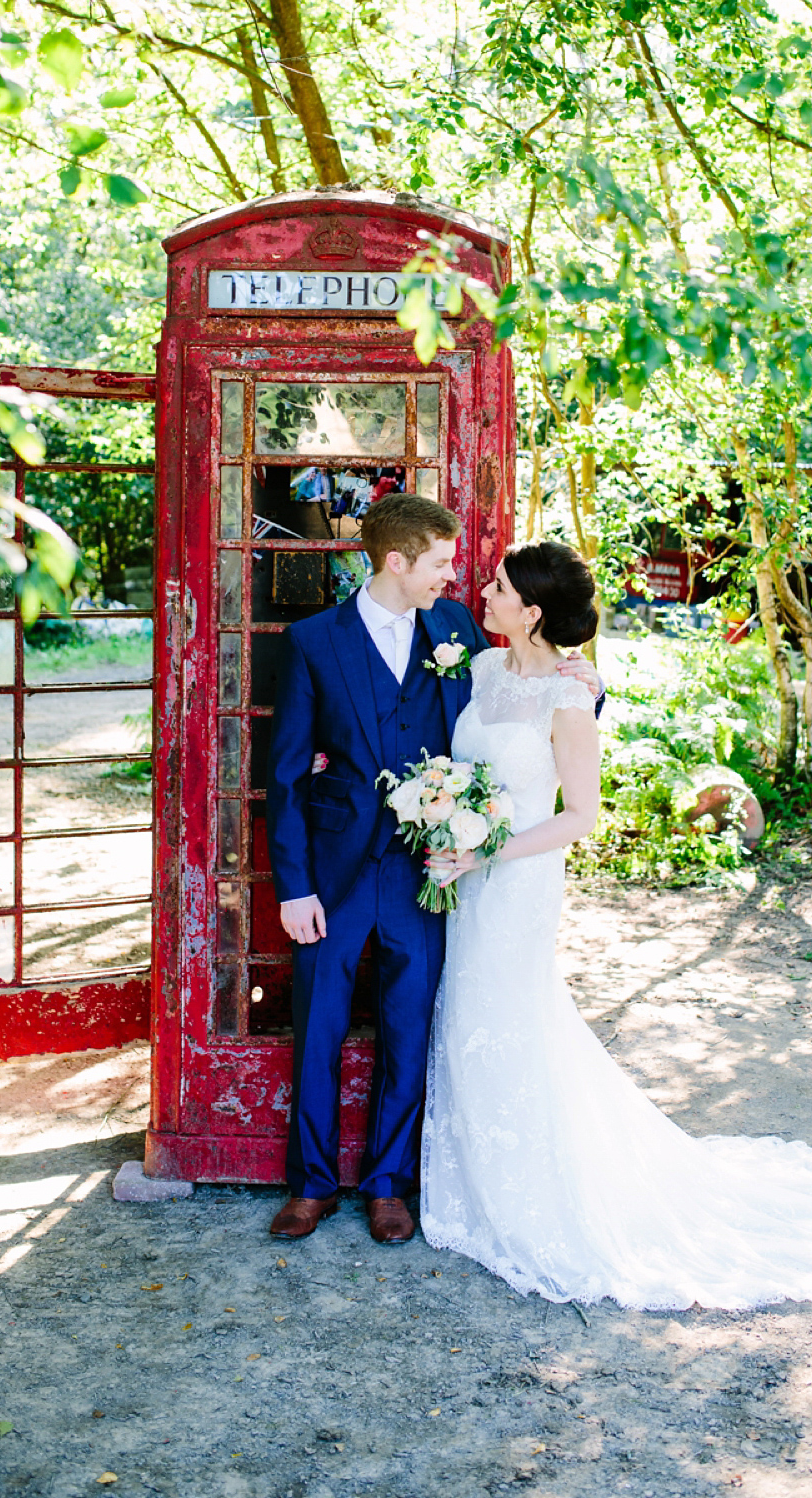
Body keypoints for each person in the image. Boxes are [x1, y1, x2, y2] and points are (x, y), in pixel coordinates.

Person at [422, 540, 812, 1309]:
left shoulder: (571, 699)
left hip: (513, 882)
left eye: (498, 586)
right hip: (467, 881)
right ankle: (479, 1182)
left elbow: (580, 816)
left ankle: (536, 1194)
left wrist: (485, 852)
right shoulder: (479, 671)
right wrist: (450, 828)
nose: (483, 590)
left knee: (510, 1018)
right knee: (469, 1015)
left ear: (532, 613)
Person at [264, 495, 600, 1246]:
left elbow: (542, 686)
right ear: (397, 561)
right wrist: (295, 886)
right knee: (316, 1029)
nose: (458, 579)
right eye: (443, 564)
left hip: (432, 873)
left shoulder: (456, 634)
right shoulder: (315, 641)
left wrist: (584, 675)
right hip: (335, 871)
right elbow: (283, 776)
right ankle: (311, 1184)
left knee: (410, 1030)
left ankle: (388, 1183)